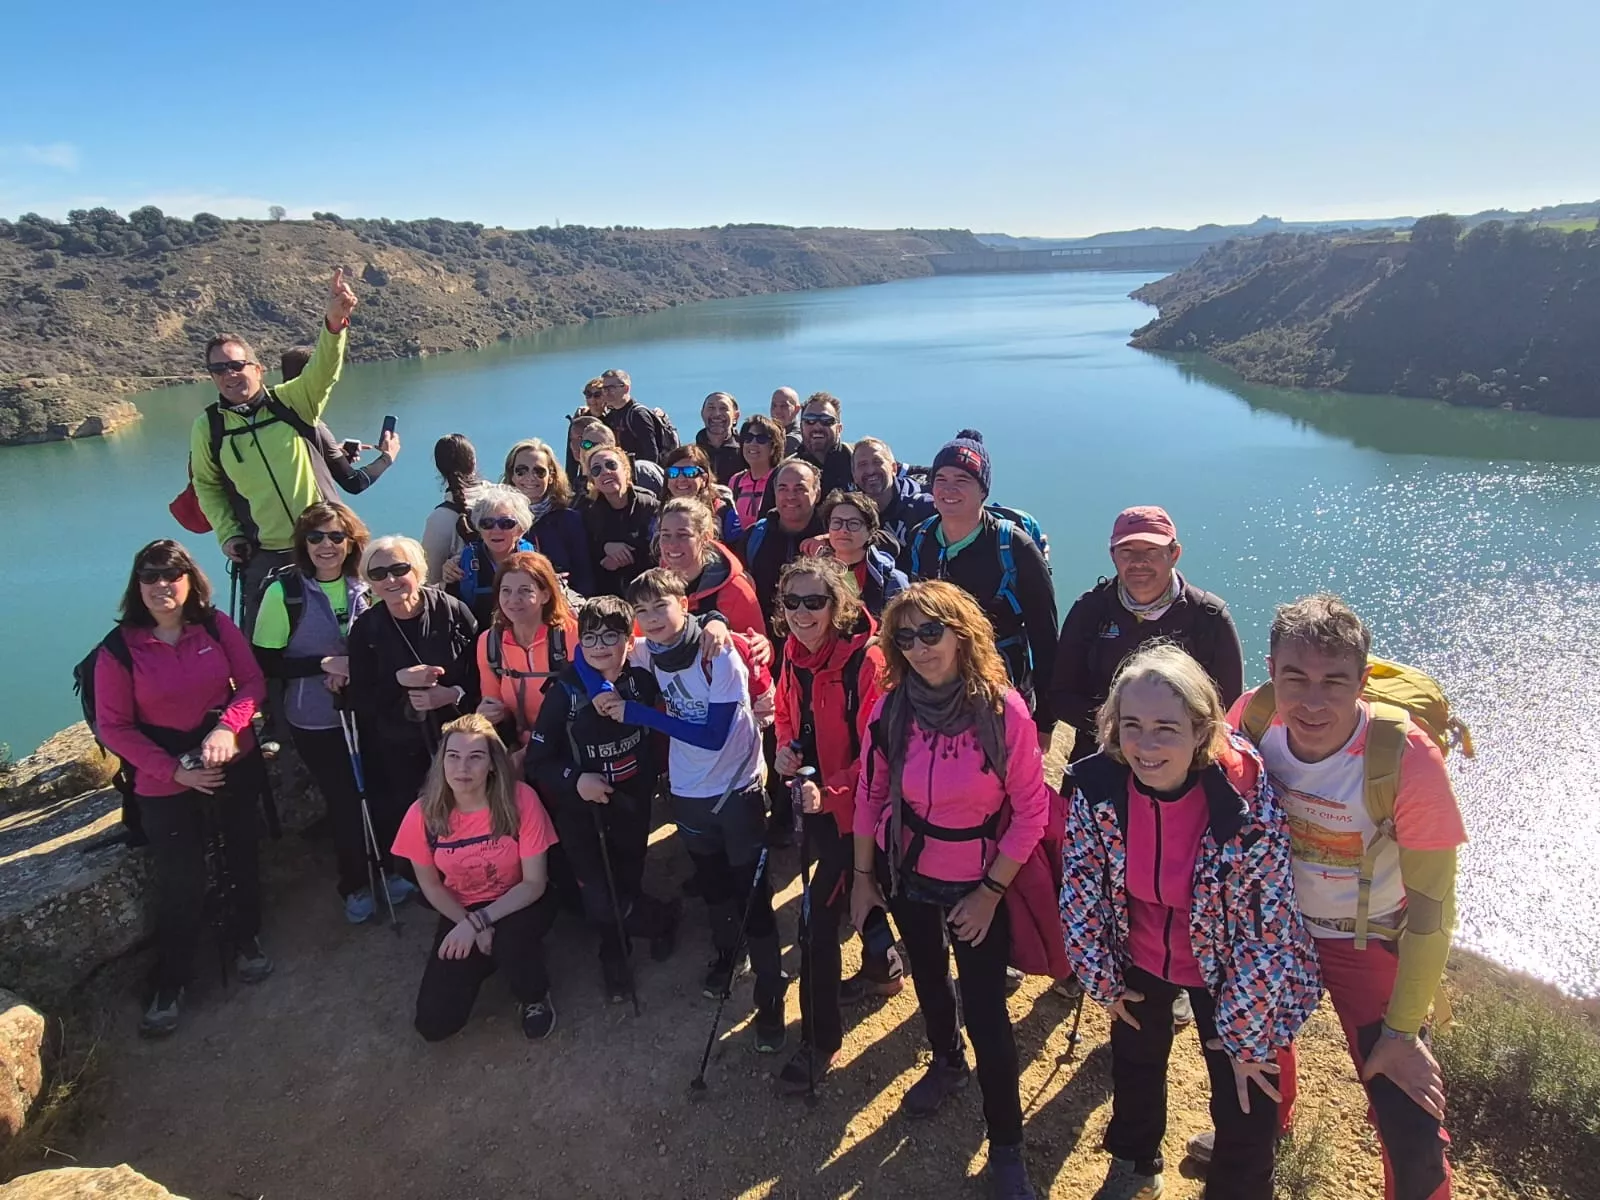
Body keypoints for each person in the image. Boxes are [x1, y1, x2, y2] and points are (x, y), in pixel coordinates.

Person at [1221, 594, 1465, 1200]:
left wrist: (1402, 1035)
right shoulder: (1252, 717)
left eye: (1334, 681)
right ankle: (1265, 1141)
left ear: (1362, 679)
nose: (1312, 702)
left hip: (1368, 939)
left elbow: (1433, 911)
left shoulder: (1404, 757)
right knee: (1256, 1058)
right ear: (1271, 671)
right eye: (1295, 678)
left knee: (1408, 1119)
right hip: (1275, 931)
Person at [1061, 644, 1322, 1200]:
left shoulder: (1244, 804)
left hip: (1228, 965)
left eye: (1166, 728)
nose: (1146, 745)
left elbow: (1265, 928)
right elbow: (1080, 883)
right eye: (1132, 725)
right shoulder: (1101, 786)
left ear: (1202, 730)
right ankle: (1135, 1160)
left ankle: (1239, 1189)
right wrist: (1102, 979)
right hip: (1139, 951)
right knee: (1135, 1062)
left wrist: (1248, 1036)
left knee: (1246, 1090)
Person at [850, 581, 1050, 1200]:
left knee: (987, 1013)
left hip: (977, 878)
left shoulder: (1002, 712)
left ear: (962, 634)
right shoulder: (892, 710)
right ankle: (946, 1063)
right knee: (931, 979)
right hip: (909, 872)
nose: (919, 647)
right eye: (905, 637)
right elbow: (870, 795)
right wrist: (863, 878)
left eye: (932, 632)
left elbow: (1031, 813)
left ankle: (1006, 1145)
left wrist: (989, 893)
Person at [589, 569, 786, 1051]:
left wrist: (638, 713)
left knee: (751, 889)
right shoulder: (645, 651)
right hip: (688, 790)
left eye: (661, 606)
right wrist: (597, 689)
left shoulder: (719, 654)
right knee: (713, 884)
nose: (652, 618)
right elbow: (583, 654)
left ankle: (770, 988)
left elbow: (713, 735)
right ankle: (728, 952)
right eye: (642, 611)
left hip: (736, 789)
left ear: (684, 603)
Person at [92, 540, 272, 1038]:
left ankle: (245, 938)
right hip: (163, 781)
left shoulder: (214, 626)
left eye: (171, 575)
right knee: (181, 880)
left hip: (229, 762)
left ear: (190, 579)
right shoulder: (118, 650)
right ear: (137, 585)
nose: (161, 585)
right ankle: (171, 979)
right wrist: (175, 771)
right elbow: (115, 728)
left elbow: (251, 683)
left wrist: (227, 728)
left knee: (240, 854)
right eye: (149, 576)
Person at [770, 557, 900, 1094]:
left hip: (861, 814)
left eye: (814, 602)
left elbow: (880, 756)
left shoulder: (867, 663)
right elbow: (785, 713)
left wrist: (831, 793)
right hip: (819, 802)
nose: (802, 613)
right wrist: (784, 749)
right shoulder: (794, 651)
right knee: (857, 897)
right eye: (792, 602)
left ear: (838, 604)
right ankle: (884, 969)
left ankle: (819, 1041)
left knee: (816, 924)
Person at [250, 502, 411, 924]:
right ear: (303, 543)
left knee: (381, 790)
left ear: (351, 541)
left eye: (337, 536)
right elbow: (266, 661)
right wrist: (323, 665)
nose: (327, 545)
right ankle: (355, 883)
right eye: (316, 537)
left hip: (369, 708)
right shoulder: (284, 593)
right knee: (344, 800)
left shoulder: (367, 582)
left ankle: (391, 869)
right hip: (317, 717)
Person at [525, 596, 682, 1000]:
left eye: (610, 636)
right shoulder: (564, 691)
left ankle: (648, 926)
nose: (599, 646)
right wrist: (576, 781)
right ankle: (624, 945)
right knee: (597, 892)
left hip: (633, 802)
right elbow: (537, 761)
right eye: (590, 637)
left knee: (628, 874)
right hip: (581, 812)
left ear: (629, 641)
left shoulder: (642, 681)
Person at [189, 269, 358, 632]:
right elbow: (207, 484)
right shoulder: (209, 426)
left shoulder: (290, 401)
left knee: (349, 629)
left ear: (258, 369)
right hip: (265, 552)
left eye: (237, 365)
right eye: (219, 369)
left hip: (324, 540)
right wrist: (228, 534)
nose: (229, 374)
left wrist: (334, 325)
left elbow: (323, 371)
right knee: (266, 641)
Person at [392, 714, 562, 1041]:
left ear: (493, 765)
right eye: (453, 756)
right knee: (434, 1024)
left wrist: (478, 924)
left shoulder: (520, 800)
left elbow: (534, 883)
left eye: (475, 757)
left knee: (510, 942)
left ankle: (534, 995)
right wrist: (468, 922)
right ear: (441, 762)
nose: (462, 768)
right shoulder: (422, 814)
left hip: (520, 898)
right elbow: (430, 885)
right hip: (463, 907)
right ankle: (493, 956)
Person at [900, 430, 1058, 752]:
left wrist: (1045, 721)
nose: (948, 489)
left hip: (999, 691)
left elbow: (1045, 638)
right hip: (934, 688)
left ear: (983, 490)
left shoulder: (1014, 548)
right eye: (941, 479)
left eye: (962, 480)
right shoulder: (921, 539)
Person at [1054, 506, 1244, 765]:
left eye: (1152, 550)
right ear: (1112, 555)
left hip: (1183, 766)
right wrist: (1117, 728)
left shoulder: (1209, 617)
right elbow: (1061, 694)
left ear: (1174, 554)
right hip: (1100, 758)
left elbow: (1227, 709)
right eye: (1126, 551)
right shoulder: (1090, 610)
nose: (1138, 561)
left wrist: (1170, 735)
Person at [347, 536, 479, 887]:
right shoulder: (366, 629)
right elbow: (360, 697)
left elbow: (482, 672)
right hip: (399, 745)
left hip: (459, 736)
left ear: (418, 570)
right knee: (416, 814)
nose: (390, 580)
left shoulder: (452, 611)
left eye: (399, 568)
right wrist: (397, 681)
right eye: (378, 574)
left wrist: (451, 694)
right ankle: (429, 881)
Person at [475, 550, 579, 753]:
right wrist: (488, 714)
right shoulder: (489, 642)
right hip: (517, 746)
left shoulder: (572, 635)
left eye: (525, 591)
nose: (513, 600)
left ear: (545, 595)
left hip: (569, 746)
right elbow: (493, 702)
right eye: (506, 591)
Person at [278, 346, 399, 498]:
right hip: (313, 511)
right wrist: (388, 456)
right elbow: (355, 483)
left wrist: (329, 455)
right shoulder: (312, 427)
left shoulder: (273, 417)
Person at [654, 498, 765, 637]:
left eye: (683, 535)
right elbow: (638, 640)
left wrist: (722, 632)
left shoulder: (735, 589)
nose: (672, 544)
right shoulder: (655, 587)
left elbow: (759, 647)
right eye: (665, 535)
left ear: (705, 537)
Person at [742, 459, 826, 635]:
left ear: (817, 493)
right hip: (763, 641)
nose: (790, 496)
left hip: (819, 642)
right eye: (783, 488)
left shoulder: (833, 537)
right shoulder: (754, 536)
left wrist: (831, 539)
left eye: (800, 488)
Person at [501, 438, 592, 596]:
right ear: (512, 476)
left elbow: (585, 577)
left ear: (551, 477)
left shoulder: (570, 520)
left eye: (539, 471)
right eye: (521, 470)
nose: (530, 477)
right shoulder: (498, 521)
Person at [443, 484, 535, 626]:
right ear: (479, 529)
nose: (496, 530)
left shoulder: (533, 561)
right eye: (487, 523)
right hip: (478, 636)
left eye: (506, 523)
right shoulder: (465, 563)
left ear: (520, 529)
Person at [812, 489, 907, 617]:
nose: (843, 530)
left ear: (870, 531)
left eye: (853, 524)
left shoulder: (892, 581)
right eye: (837, 522)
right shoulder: (812, 576)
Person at [580, 446, 660, 598]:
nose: (605, 471)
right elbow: (585, 557)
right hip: (608, 596)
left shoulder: (649, 505)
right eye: (596, 470)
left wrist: (628, 556)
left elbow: (660, 550)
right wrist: (604, 548)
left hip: (650, 591)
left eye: (611, 465)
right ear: (593, 481)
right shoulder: (588, 515)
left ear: (626, 470)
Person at [852, 437, 934, 551]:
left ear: (894, 468)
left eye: (877, 462)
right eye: (862, 464)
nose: (870, 470)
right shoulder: (852, 516)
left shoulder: (925, 507)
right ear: (854, 476)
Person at [421, 434, 482, 586]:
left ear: (439, 469)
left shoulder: (439, 519)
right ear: (474, 462)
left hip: (465, 600)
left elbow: (430, 579)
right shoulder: (502, 496)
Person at [662, 443, 742, 545]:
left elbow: (738, 550)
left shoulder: (723, 513)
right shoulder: (658, 515)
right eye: (673, 472)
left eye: (690, 472)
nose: (681, 479)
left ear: (704, 479)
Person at [568, 417, 664, 499]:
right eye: (585, 444)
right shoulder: (576, 492)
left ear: (613, 448)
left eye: (598, 445)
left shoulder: (642, 471)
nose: (590, 450)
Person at [597, 368, 673, 465]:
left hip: (642, 470)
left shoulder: (638, 414)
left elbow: (651, 452)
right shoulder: (612, 415)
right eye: (604, 388)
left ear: (626, 388)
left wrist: (645, 472)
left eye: (611, 388)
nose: (607, 392)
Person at [728, 415, 783, 531]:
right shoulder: (736, 481)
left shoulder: (780, 480)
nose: (753, 443)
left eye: (761, 439)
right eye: (748, 438)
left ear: (773, 447)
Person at [795, 391, 854, 495]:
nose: (817, 426)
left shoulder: (856, 462)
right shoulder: (786, 472)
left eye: (826, 420)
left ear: (839, 428)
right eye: (809, 420)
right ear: (801, 427)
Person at [695, 391, 743, 483]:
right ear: (702, 414)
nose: (717, 414)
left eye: (723, 408)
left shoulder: (747, 452)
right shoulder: (693, 454)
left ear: (735, 416)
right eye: (711, 408)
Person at [770, 386, 803, 457]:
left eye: (784, 406)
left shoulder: (793, 440)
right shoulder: (769, 435)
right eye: (774, 405)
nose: (777, 411)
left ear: (796, 409)